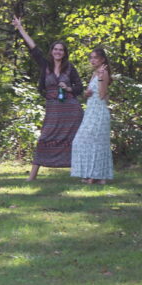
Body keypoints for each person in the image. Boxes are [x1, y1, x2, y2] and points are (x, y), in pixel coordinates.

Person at [12, 16, 83, 180]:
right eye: (55, 49)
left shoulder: (70, 68)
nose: (58, 52)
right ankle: (32, 177)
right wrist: (20, 28)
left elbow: (79, 88)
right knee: (45, 138)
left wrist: (69, 87)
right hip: (52, 108)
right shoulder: (45, 66)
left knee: (76, 140)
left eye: (61, 50)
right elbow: (34, 48)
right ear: (52, 52)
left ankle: (82, 174)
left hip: (71, 109)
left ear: (65, 53)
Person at [70, 47, 114, 184]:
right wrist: (86, 93)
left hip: (99, 112)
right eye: (91, 58)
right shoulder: (95, 73)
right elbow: (91, 94)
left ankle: (97, 176)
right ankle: (92, 174)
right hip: (90, 111)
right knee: (82, 141)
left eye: (95, 58)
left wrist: (101, 78)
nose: (92, 60)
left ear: (102, 59)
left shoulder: (103, 73)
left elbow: (102, 95)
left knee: (96, 143)